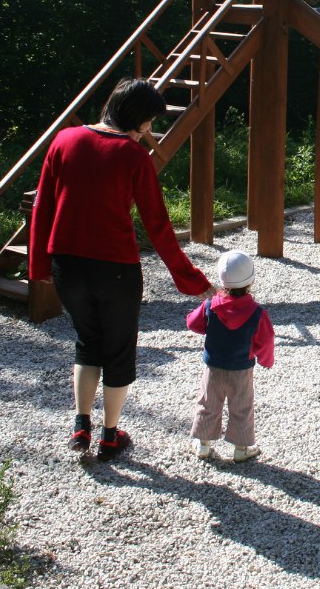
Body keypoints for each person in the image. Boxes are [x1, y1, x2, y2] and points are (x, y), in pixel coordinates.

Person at [30, 78, 213, 462]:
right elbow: (158, 226)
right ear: (138, 118)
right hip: (116, 270)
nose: (149, 129)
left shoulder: (64, 140)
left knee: (87, 342)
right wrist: (192, 280)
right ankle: (110, 436)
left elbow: (43, 206)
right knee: (118, 352)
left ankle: (81, 426)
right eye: (149, 121)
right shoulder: (133, 156)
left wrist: (39, 264)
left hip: (67, 266)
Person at [185, 250, 274, 463]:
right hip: (241, 368)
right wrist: (266, 360)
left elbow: (193, 323)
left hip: (213, 366)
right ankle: (241, 448)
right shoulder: (257, 313)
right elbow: (266, 340)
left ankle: (203, 444)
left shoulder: (210, 305)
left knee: (208, 402)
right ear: (251, 281)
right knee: (242, 406)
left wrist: (208, 326)